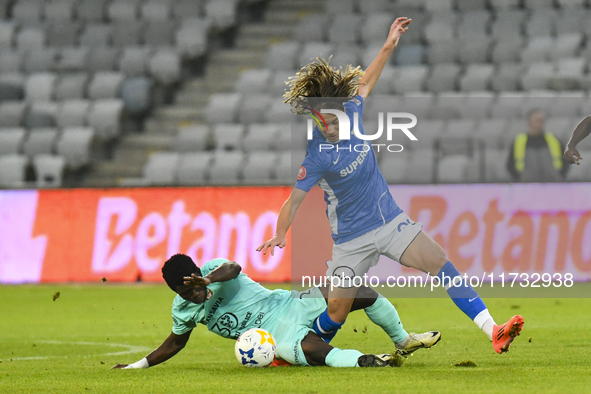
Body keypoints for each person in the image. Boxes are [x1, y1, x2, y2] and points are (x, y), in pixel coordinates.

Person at [257, 17, 523, 354]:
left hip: (390, 222)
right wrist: (281, 233)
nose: (329, 127)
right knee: (337, 313)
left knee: (440, 261)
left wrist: (388, 45)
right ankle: (300, 351)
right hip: (350, 241)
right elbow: (293, 202)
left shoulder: (352, 111)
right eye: (322, 122)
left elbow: (365, 83)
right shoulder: (315, 156)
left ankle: (493, 330)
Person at [112, 254, 441, 369]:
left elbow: (234, 267)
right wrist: (137, 366)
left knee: (360, 292)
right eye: (188, 292)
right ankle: (365, 361)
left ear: (199, 272)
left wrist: (208, 279)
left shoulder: (214, 270)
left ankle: (402, 340)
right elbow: (174, 343)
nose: (197, 294)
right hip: (271, 336)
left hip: (287, 303)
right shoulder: (183, 310)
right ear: (176, 292)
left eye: (196, 286)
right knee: (314, 351)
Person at [506, 109, 570, 182]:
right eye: (537, 120)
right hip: (527, 185)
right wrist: (519, 178)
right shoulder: (519, 141)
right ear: (529, 122)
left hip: (552, 184)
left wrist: (560, 175)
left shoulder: (553, 139)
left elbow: (566, 159)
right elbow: (510, 164)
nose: (540, 123)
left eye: (542, 120)